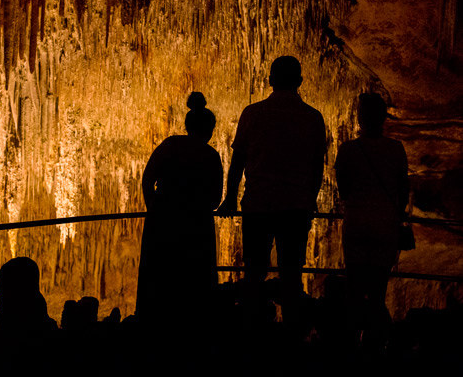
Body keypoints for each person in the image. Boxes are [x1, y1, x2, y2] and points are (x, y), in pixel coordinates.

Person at [218, 56, 326, 322]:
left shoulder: (253, 113)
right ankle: (292, 336)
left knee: (254, 272)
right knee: (291, 275)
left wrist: (230, 198)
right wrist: (309, 200)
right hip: (296, 208)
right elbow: (316, 169)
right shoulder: (312, 118)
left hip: (259, 205)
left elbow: (238, 162)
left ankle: (252, 333)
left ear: (270, 80)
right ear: (299, 82)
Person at [135, 92, 223, 326]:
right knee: (193, 282)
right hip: (197, 226)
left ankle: (153, 328)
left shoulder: (170, 145)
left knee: (159, 278)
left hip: (162, 220)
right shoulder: (211, 156)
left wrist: (153, 208)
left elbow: (147, 179)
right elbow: (215, 200)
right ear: (209, 129)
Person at [335, 92, 409, 353]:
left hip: (356, 221)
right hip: (385, 223)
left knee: (354, 287)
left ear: (359, 117)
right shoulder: (395, 149)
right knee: (378, 288)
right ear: (383, 118)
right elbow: (403, 188)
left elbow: (342, 188)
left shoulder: (348, 149)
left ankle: (351, 342)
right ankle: (374, 346)